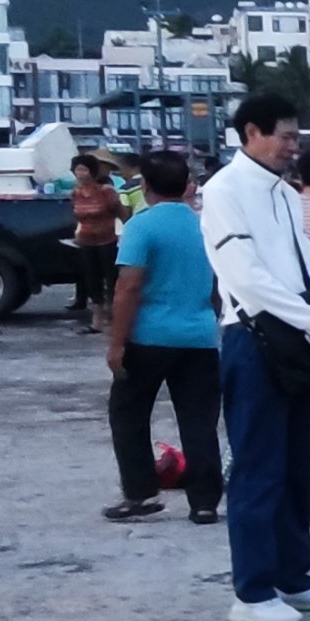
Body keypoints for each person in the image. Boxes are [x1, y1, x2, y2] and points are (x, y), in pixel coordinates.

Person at [201, 94, 310, 621]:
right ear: (251, 133)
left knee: (297, 465)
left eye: (296, 138)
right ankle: (251, 589)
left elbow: (307, 263)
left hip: (299, 336)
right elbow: (243, 274)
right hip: (254, 339)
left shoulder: (286, 195)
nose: (293, 148)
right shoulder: (223, 191)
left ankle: (294, 577)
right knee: (257, 466)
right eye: (284, 137)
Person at [102, 146, 226, 526]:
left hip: (150, 337)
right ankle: (204, 502)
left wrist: (117, 342)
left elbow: (129, 287)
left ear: (146, 184)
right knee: (199, 420)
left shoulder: (142, 224)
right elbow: (219, 283)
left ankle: (140, 493)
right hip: (201, 337)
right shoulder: (205, 225)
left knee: (129, 414)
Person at [67, 154, 125, 331]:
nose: (80, 173)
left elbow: (121, 213)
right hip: (86, 241)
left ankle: (116, 317)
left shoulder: (106, 191)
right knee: (92, 280)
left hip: (108, 240)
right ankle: (97, 320)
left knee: (112, 279)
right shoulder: (75, 193)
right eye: (77, 169)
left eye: (84, 169)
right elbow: (76, 216)